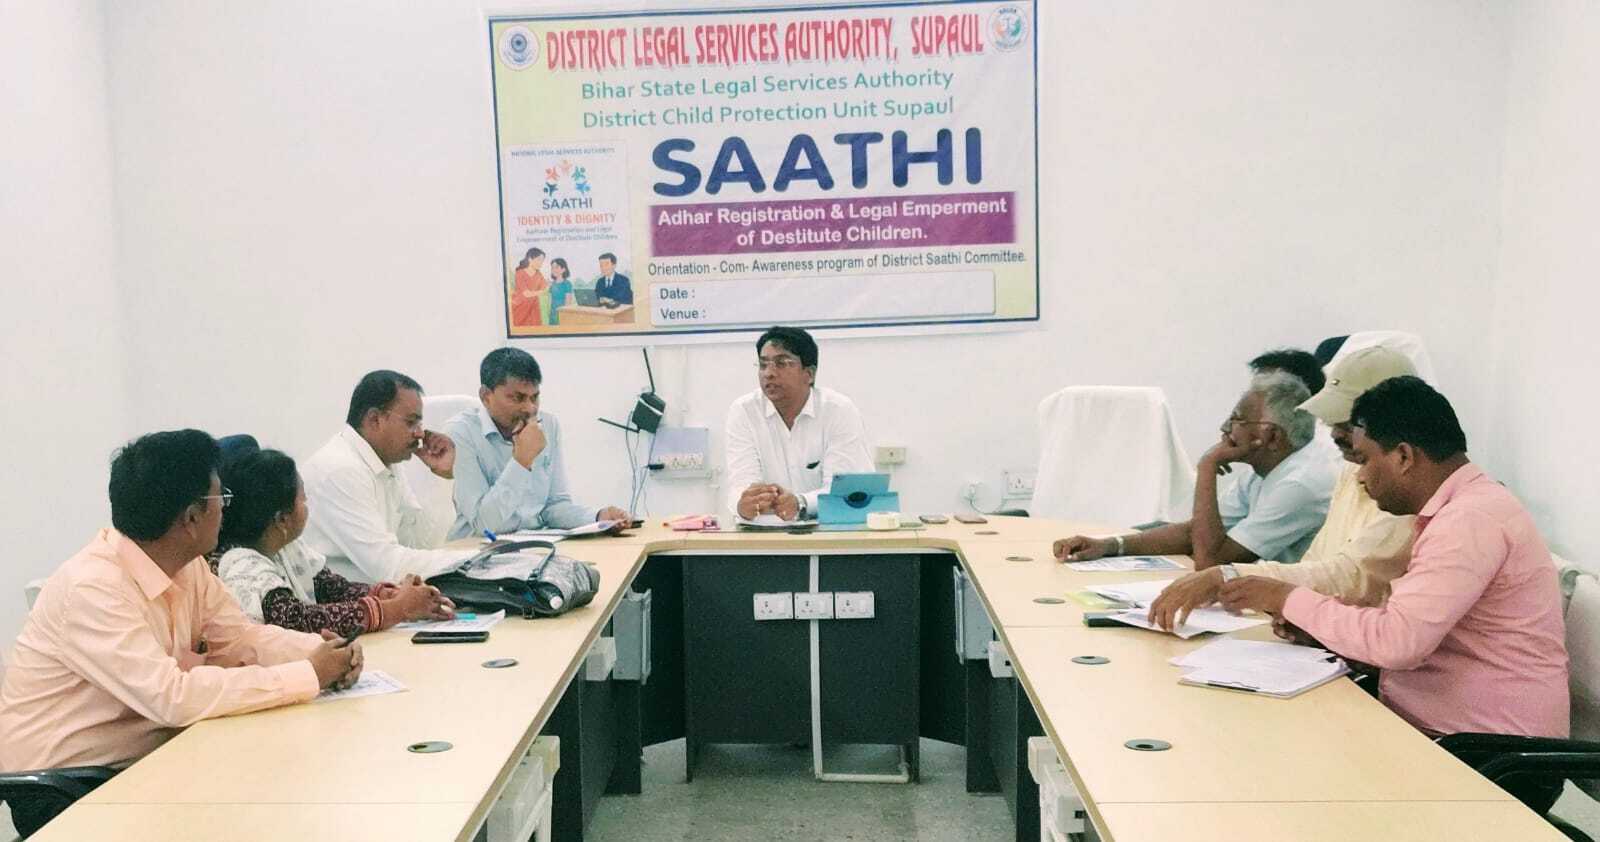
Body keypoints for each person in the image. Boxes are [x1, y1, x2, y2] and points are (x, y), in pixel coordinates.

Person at [1216, 377, 1568, 807]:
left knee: (1289, 783)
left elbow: (1398, 642)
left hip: (1490, 758)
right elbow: (1412, 635)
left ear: (1403, 456)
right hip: (1451, 737)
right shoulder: (1458, 509)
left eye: (1364, 460)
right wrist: (1324, 633)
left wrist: (1286, 598)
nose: (1360, 478)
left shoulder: (1470, 521)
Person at [0, 430, 361, 828]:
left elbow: (239, 638)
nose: (225, 511)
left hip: (144, 759)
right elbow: (172, 697)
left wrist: (320, 652)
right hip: (69, 788)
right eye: (222, 499)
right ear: (191, 518)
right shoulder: (93, 589)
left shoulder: (187, 566)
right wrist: (308, 675)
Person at [1147, 347, 1419, 629]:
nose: (1335, 434)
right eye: (1333, 423)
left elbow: (1350, 576)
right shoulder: (1351, 469)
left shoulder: (1405, 490)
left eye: (1347, 425)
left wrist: (1229, 577)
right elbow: (1319, 560)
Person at [1054, 371, 1338, 567]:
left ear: (1271, 436)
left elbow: (1210, 559)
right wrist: (1109, 546)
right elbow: (1196, 532)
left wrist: (1207, 468)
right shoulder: (1265, 470)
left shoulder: (1298, 484)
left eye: (1237, 420)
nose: (1225, 428)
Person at [215, 448, 454, 637]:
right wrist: (397, 609)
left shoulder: (286, 547)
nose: (307, 504)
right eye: (303, 499)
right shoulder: (240, 566)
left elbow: (332, 588)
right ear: (282, 519)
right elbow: (299, 620)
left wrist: (393, 594)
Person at [300, 370, 472, 583]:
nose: (420, 433)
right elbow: (387, 565)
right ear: (374, 419)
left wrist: (442, 476)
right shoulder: (340, 470)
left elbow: (424, 544)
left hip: (378, 593)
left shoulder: (386, 462)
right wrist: (471, 559)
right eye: (411, 422)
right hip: (342, 600)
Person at [444, 348, 631, 539]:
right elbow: (484, 525)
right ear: (485, 396)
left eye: (534, 397)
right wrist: (521, 461)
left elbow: (553, 507)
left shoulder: (547, 425)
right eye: (517, 398)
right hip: (475, 548)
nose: (529, 408)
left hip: (532, 543)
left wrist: (597, 517)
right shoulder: (460, 434)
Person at [724, 326, 873, 521]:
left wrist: (800, 503)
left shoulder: (838, 410)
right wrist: (744, 505)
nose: (769, 373)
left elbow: (845, 491)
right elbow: (741, 484)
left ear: (809, 374)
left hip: (828, 530)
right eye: (763, 364)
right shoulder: (744, 411)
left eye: (781, 363)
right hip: (763, 531)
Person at [511, 247, 548, 327]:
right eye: (539, 260)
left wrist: (545, 289)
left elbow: (545, 287)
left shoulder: (539, 275)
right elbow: (526, 294)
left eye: (542, 261)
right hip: (520, 307)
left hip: (534, 308)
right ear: (530, 259)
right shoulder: (520, 273)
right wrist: (541, 292)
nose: (541, 263)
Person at [547, 257, 574, 326]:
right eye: (552, 268)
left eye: (556, 267)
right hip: (552, 314)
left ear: (563, 269)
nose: (554, 270)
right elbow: (549, 300)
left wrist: (565, 315)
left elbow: (568, 302)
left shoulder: (567, 284)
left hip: (562, 314)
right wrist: (549, 312)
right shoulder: (552, 284)